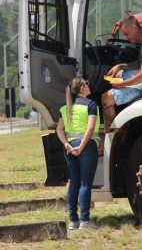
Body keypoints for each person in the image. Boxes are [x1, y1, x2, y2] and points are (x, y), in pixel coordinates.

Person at [56, 77, 100, 230]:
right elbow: (90, 129)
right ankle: (85, 221)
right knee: (85, 183)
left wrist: (66, 144)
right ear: (82, 88)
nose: (89, 85)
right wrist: (81, 147)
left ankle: (73, 221)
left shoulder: (65, 107)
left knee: (74, 182)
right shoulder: (91, 104)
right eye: (87, 83)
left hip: (69, 147)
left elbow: (59, 129)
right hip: (86, 147)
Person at [100, 15, 142, 154]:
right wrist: (121, 66)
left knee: (106, 97)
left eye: (126, 34)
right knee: (114, 75)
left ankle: (109, 140)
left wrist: (122, 84)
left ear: (134, 27)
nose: (126, 38)